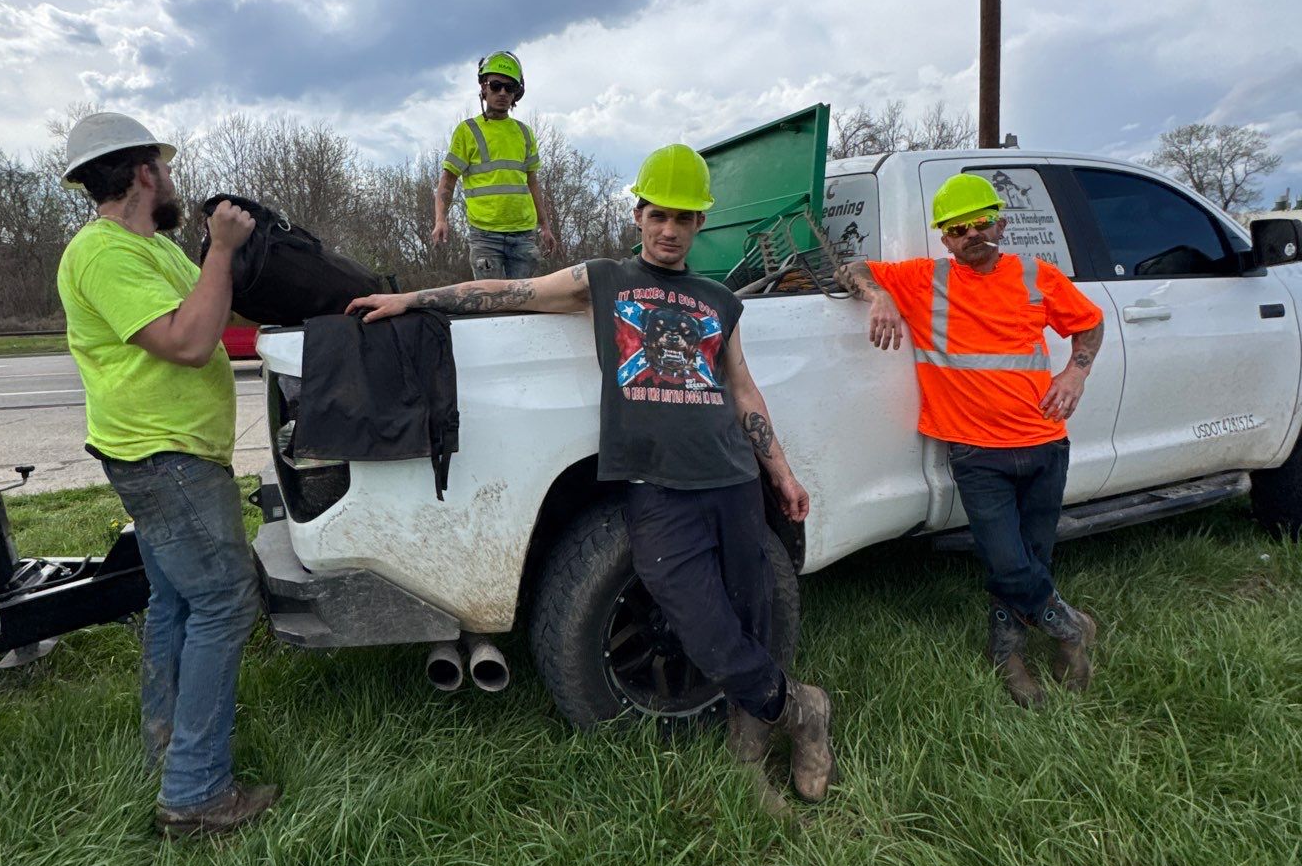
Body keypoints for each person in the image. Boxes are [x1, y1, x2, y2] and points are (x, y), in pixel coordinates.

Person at [354, 142, 834, 803]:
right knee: (700, 621)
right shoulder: (604, 279)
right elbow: (507, 289)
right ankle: (804, 710)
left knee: (751, 614)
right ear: (638, 215)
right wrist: (413, 299)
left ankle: (748, 748)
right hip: (655, 487)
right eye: (658, 215)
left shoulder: (718, 300)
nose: (669, 230)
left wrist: (779, 472)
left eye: (684, 218)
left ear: (699, 225)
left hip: (730, 478)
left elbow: (743, 388)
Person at [56, 111, 279, 837]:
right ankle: (195, 792)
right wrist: (219, 247)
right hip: (164, 458)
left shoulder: (153, 251)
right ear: (144, 171)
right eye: (167, 166)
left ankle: (168, 746)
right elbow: (185, 343)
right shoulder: (103, 254)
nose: (175, 179)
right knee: (224, 601)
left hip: (175, 453)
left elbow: (219, 322)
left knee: (176, 603)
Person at [845, 171, 1106, 707]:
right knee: (1008, 561)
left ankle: (1005, 651)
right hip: (977, 452)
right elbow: (851, 267)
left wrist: (1075, 372)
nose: (973, 235)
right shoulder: (927, 279)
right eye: (959, 229)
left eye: (982, 222)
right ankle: (1071, 628)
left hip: (1045, 443)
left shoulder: (1037, 276)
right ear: (945, 238)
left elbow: (1090, 323)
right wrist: (880, 297)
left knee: (1033, 557)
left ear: (1000, 222)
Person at [433, 51, 559, 279]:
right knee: (490, 304)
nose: (502, 93)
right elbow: (448, 179)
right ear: (483, 87)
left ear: (516, 93)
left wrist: (546, 227)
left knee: (524, 304)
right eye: (496, 85)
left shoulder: (524, 132)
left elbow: (532, 183)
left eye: (509, 88)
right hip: (485, 236)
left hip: (523, 235)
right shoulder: (467, 130)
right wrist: (441, 219)